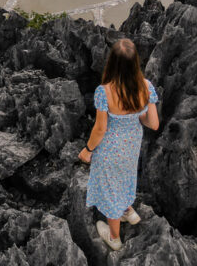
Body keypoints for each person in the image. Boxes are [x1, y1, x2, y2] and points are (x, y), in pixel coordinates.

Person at [78, 38, 160, 251]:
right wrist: (136, 116)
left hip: (110, 148)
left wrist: (88, 150)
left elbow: (100, 128)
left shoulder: (104, 91)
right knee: (126, 175)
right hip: (132, 144)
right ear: (135, 63)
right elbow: (153, 123)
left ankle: (114, 237)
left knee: (110, 188)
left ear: (112, 63)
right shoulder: (146, 87)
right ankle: (128, 211)